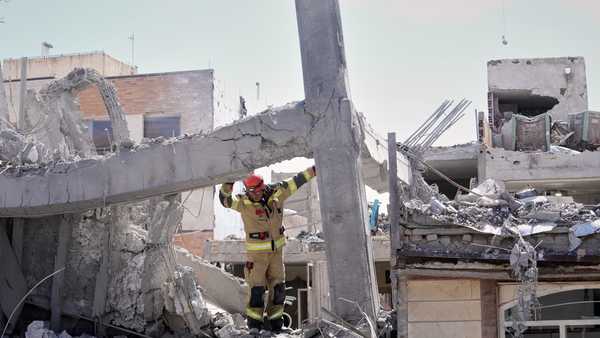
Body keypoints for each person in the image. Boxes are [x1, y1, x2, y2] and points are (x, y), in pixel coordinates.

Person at [219, 166, 317, 332]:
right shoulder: (243, 203)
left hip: (276, 255)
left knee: (278, 289)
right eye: (251, 191)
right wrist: (230, 179)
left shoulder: (277, 194)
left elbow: (297, 181)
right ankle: (254, 326)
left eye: (257, 190)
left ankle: (276, 325)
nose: (255, 194)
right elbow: (224, 200)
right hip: (256, 257)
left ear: (263, 187)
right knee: (257, 291)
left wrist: (314, 170)